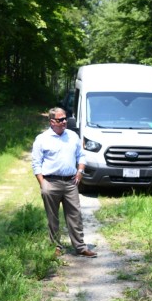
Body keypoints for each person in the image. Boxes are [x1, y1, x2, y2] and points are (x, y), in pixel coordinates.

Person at [31, 107, 97, 258]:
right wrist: (43, 184)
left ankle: (80, 246)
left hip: (70, 182)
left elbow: (81, 156)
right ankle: (55, 247)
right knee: (52, 217)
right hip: (51, 182)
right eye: (61, 120)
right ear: (52, 121)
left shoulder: (73, 136)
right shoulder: (42, 139)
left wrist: (80, 172)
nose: (64, 122)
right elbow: (36, 163)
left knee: (75, 214)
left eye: (65, 118)